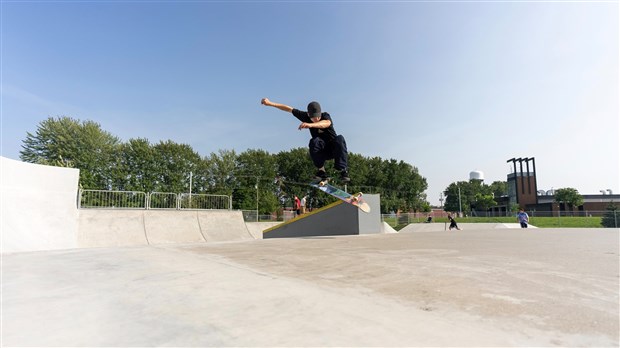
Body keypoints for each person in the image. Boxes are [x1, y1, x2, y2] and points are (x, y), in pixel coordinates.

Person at [261, 98, 350, 182]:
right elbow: (289, 109)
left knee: (339, 138)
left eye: (318, 117)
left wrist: (310, 125)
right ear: (308, 114)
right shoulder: (305, 116)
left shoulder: (325, 116)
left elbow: (326, 123)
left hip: (334, 150)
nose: (317, 119)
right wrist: (270, 103)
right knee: (314, 141)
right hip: (322, 152)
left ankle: (343, 170)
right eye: (314, 118)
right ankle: (321, 171)